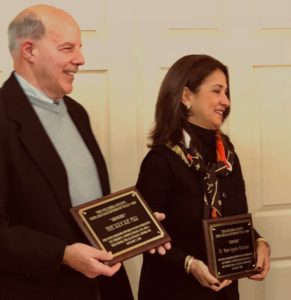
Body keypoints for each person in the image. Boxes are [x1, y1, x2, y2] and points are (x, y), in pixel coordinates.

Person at [0, 4, 169, 299]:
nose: (80, 59)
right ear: (29, 50)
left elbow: (88, 204)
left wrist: (137, 227)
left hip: (105, 285)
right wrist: (62, 254)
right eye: (67, 48)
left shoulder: (77, 112)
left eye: (79, 48)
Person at [136, 54, 270, 300]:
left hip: (223, 291)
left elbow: (235, 221)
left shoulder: (227, 157)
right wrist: (189, 264)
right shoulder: (161, 161)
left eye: (227, 92)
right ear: (186, 96)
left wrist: (259, 242)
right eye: (217, 91)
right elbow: (144, 237)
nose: (226, 101)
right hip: (173, 289)